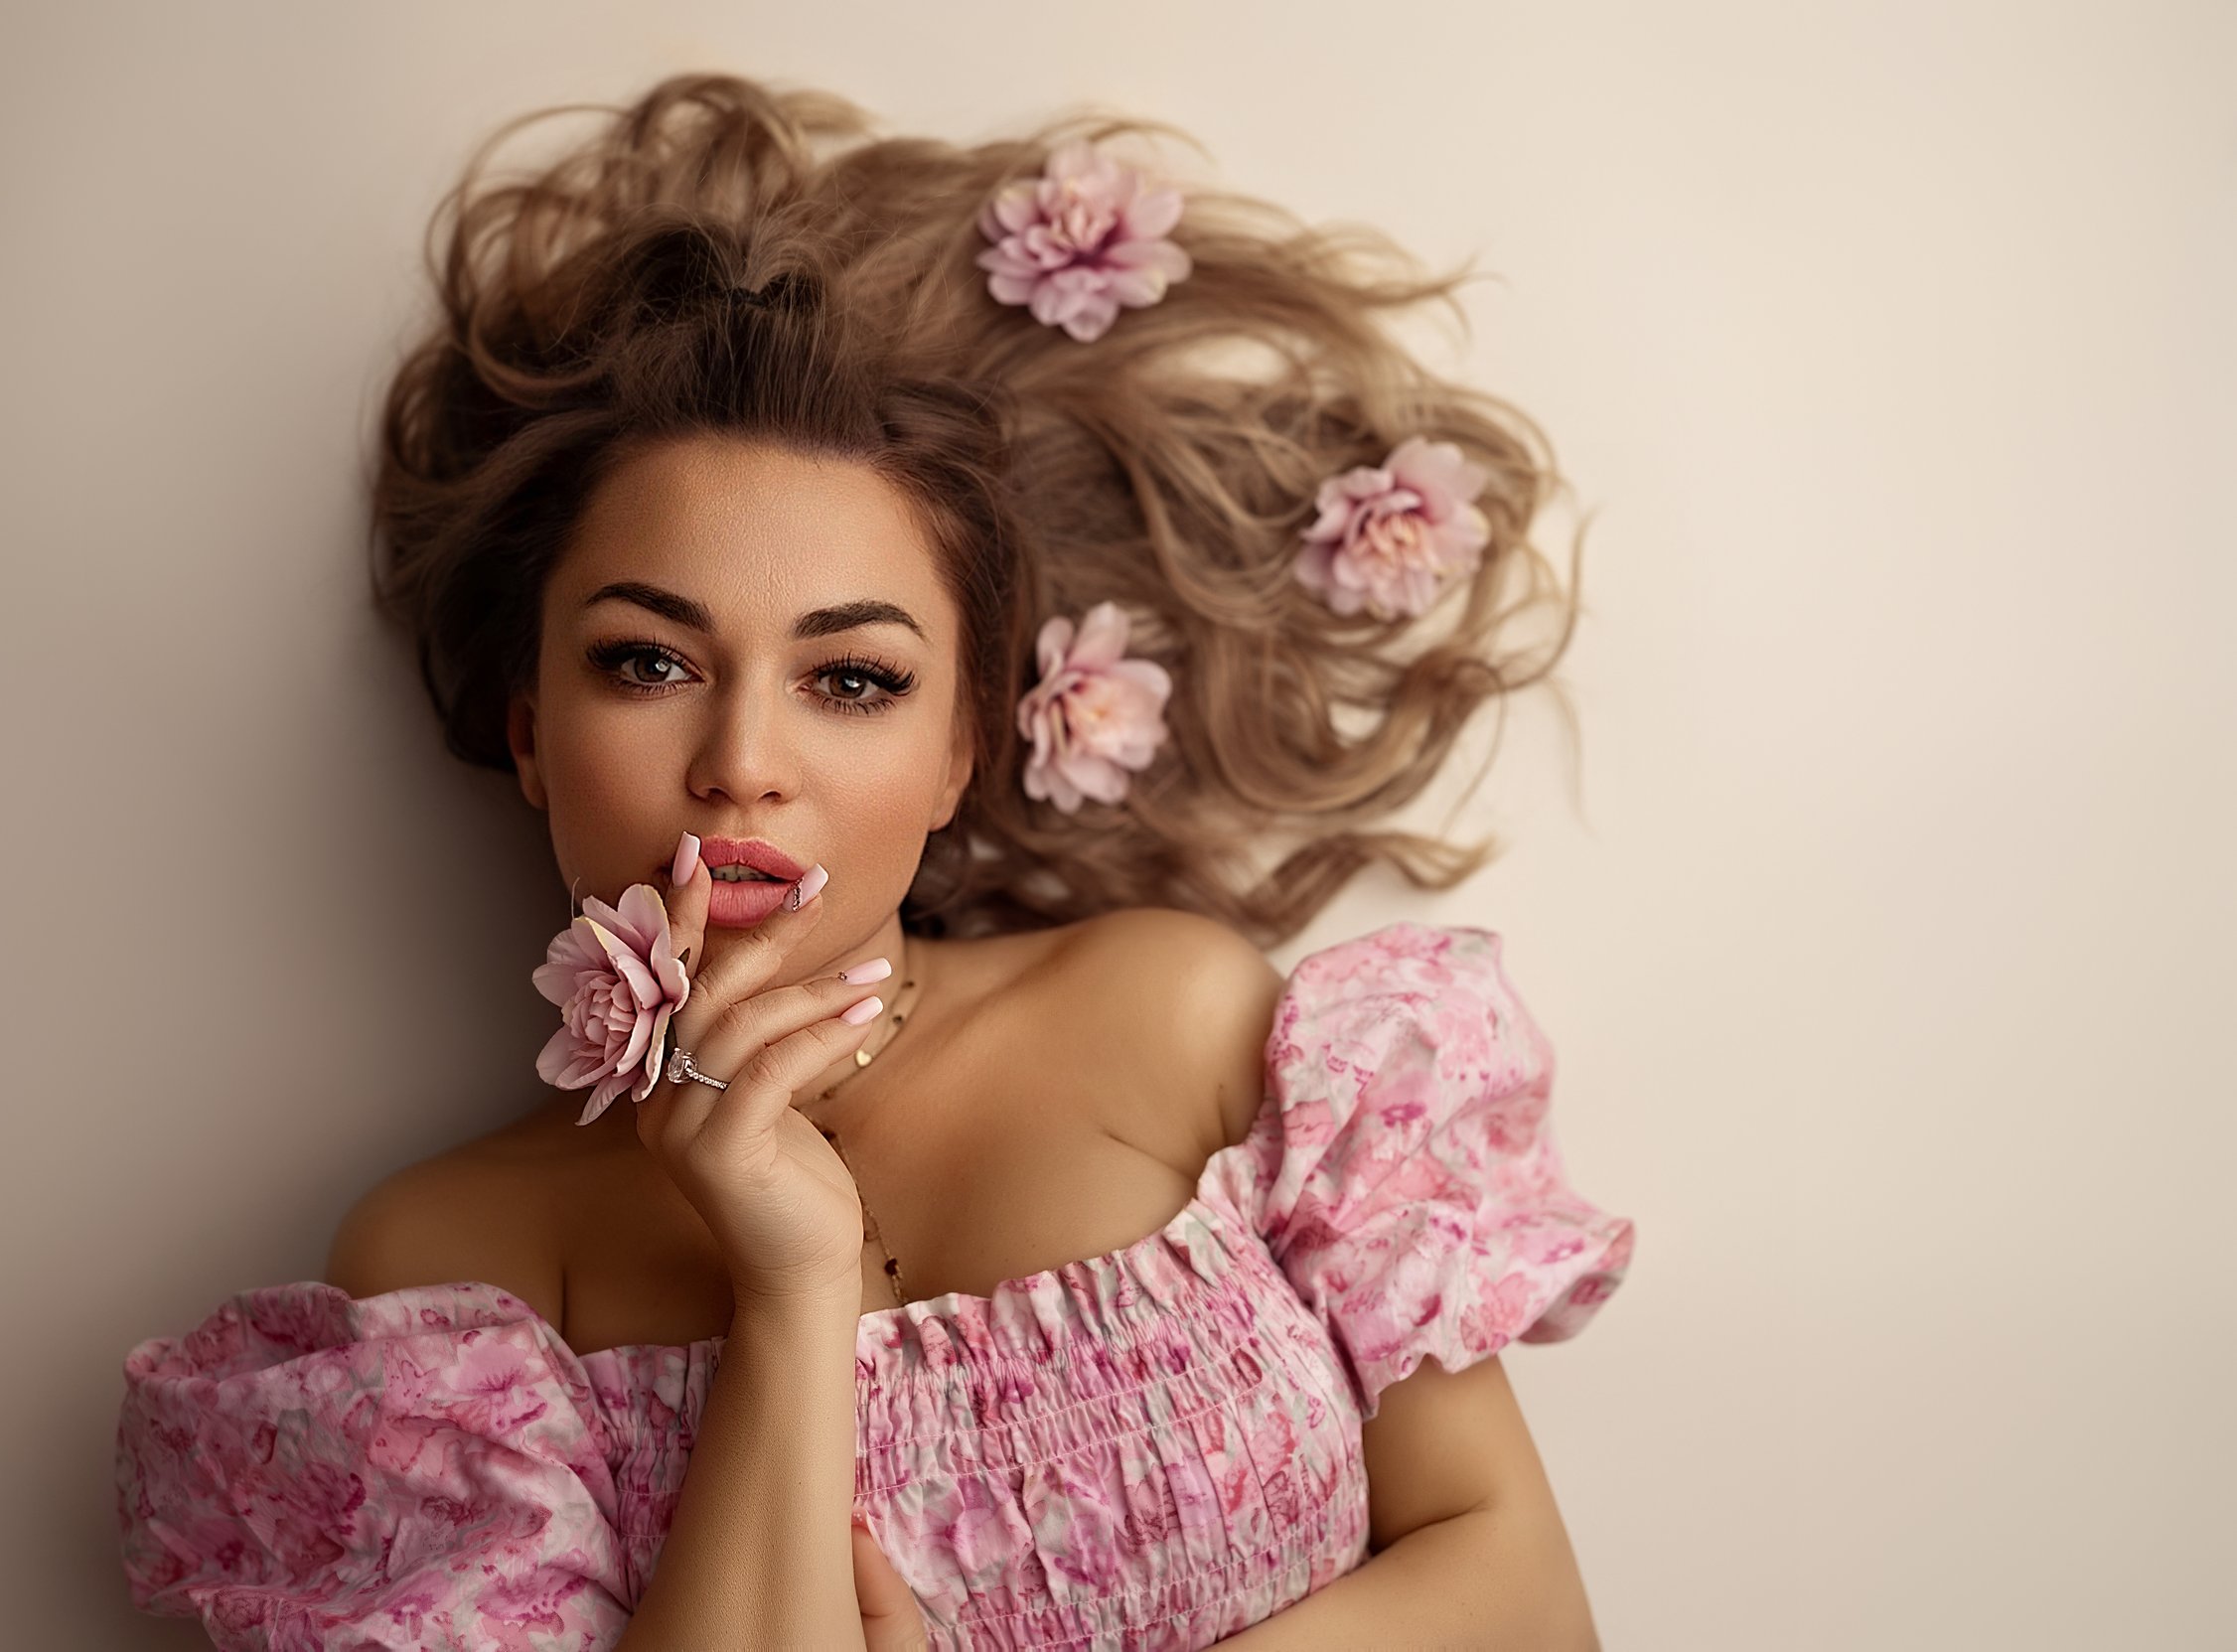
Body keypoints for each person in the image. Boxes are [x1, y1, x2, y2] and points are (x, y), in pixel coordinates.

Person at [111, 72, 1636, 1651]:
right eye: (648, 663)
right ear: (527, 733)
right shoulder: (456, 1288)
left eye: (851, 680)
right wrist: (790, 1289)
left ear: (960, 747)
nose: (743, 763)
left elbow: (1522, 1594)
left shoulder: (1184, 1027)